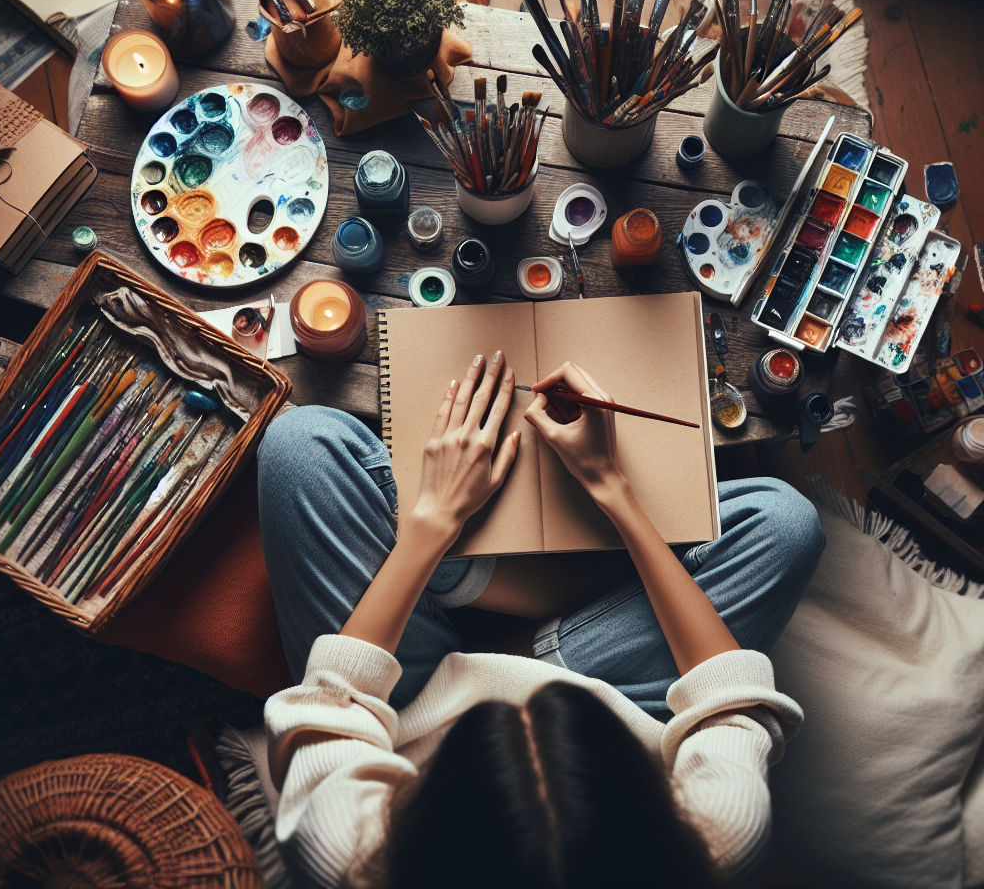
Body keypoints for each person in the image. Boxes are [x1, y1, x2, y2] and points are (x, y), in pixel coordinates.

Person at [259, 351, 824, 888]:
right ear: (652, 803)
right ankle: (508, 599)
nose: (518, 702)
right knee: (784, 525)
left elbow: (336, 699)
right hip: (608, 683)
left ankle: (463, 582)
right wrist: (610, 486)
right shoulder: (718, 842)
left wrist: (435, 521)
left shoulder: (347, 852)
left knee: (300, 445)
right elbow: (726, 693)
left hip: (407, 711)